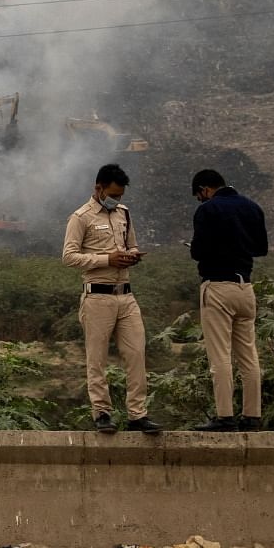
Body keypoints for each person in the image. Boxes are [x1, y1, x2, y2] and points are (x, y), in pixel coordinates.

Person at [63, 164, 162, 434]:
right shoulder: (80, 217)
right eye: (113, 194)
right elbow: (69, 256)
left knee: (136, 354)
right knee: (97, 358)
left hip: (126, 294)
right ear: (99, 188)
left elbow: (131, 245)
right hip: (98, 295)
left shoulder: (124, 214)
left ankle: (137, 414)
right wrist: (107, 259)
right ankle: (102, 412)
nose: (116, 200)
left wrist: (131, 255)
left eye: (120, 195)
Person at [188, 169, 268, 432]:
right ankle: (252, 416)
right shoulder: (252, 207)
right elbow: (261, 248)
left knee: (220, 355)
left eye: (199, 195)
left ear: (205, 189)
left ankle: (225, 416)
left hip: (218, 286)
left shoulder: (207, 211)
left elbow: (198, 252)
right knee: (248, 355)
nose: (200, 200)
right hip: (245, 287)